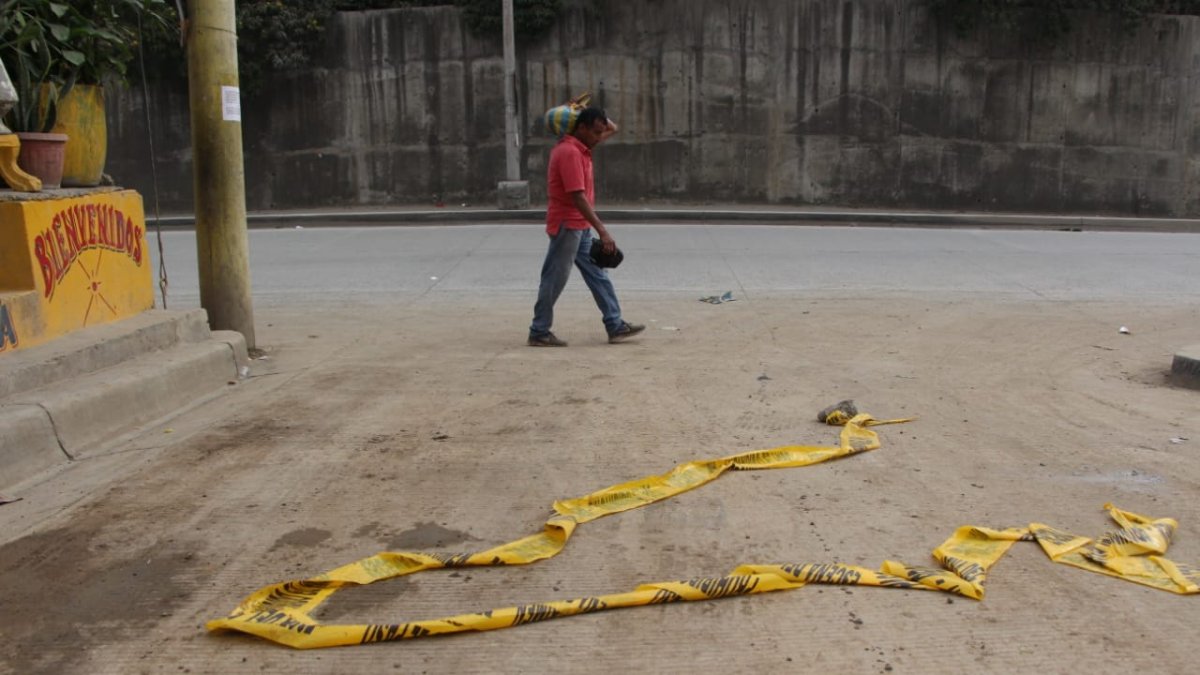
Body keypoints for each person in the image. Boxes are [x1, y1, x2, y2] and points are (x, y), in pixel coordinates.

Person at [528, 106, 644, 347]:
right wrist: (603, 231)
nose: (600, 136)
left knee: (598, 274)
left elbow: (613, 127)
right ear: (580, 128)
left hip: (578, 226)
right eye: (595, 132)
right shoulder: (569, 152)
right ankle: (539, 331)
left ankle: (615, 324)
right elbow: (577, 197)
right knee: (554, 278)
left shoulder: (581, 146)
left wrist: (582, 112)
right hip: (568, 225)